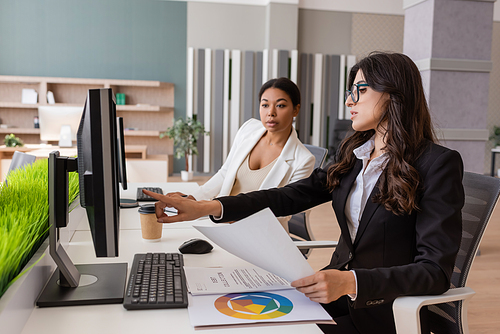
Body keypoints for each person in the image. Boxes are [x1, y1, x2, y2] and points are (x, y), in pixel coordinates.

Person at [144, 52, 464, 334]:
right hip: (331, 298)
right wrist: (208, 207)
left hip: (379, 313)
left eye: (360, 90)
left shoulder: (437, 164)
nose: (349, 101)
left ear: (395, 95)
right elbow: (286, 196)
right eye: (349, 92)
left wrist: (350, 282)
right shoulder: (355, 155)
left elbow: (434, 272)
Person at [170, 77, 315, 231]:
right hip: (223, 222)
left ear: (295, 110)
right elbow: (225, 173)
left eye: (280, 105)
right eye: (265, 105)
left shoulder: (303, 160)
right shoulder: (249, 129)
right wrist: (193, 199)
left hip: (261, 232)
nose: (271, 113)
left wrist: (226, 214)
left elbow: (284, 210)